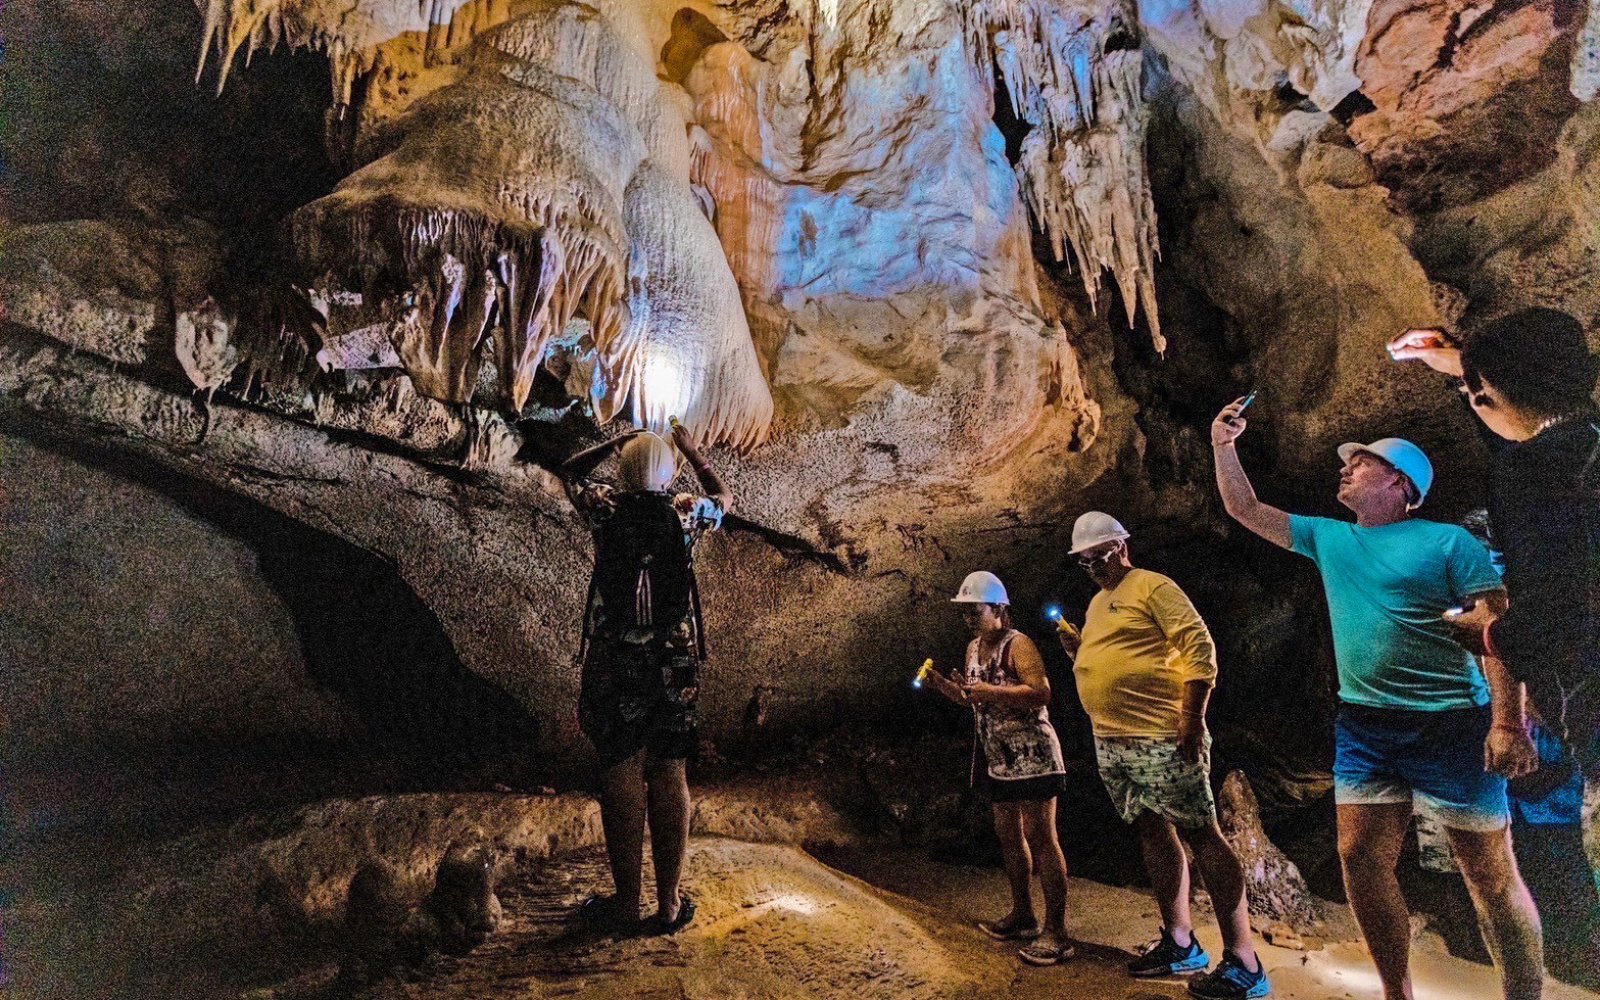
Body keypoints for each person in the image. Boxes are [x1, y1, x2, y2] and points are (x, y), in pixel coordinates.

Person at [1211, 404, 1544, 1000]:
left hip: (1451, 725)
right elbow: (1244, 509)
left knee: (1489, 874)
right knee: (1359, 859)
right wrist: (1223, 446)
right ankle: (1397, 994)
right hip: (1365, 724)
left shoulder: (1449, 542)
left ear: (1400, 483)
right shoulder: (1329, 536)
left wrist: (1507, 721)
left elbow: (1496, 628)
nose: (1345, 469)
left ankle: (1525, 996)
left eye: (1361, 462)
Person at [1059, 511, 1270, 1000]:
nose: (1092, 566)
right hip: (1113, 740)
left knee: (1203, 834)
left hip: (1162, 736)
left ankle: (1245, 960)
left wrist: (1192, 718)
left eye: (1099, 555)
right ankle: (1180, 940)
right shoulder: (1097, 603)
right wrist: (1079, 653)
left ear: (1121, 546)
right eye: (1083, 560)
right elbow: (1118, 659)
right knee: (1151, 828)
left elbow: (1199, 649)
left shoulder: (1153, 586)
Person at [1387, 310, 1600, 761]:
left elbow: (1560, 617)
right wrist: (1469, 368)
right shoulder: (1586, 441)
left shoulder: (1524, 475)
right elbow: (1531, 431)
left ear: (1486, 395)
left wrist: (1487, 635)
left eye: (1473, 391)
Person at [560, 423, 730, 935]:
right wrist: (693, 451)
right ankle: (670, 904)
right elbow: (724, 496)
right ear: (669, 472)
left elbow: (568, 472)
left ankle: (626, 904)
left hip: (616, 659)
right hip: (673, 661)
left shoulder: (605, 507)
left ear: (624, 469)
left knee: (621, 770)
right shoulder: (684, 512)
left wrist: (611, 443)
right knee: (669, 771)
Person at [923, 570, 1075, 966]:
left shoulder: (1018, 644)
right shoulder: (973, 648)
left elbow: (1041, 691)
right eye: (965, 614)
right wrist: (948, 688)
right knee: (1008, 835)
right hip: (999, 758)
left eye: (976, 612)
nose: (970, 621)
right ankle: (1023, 914)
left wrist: (991, 691)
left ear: (1000, 610)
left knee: (1042, 837)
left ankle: (1057, 932)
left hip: (1035, 756)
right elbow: (975, 698)